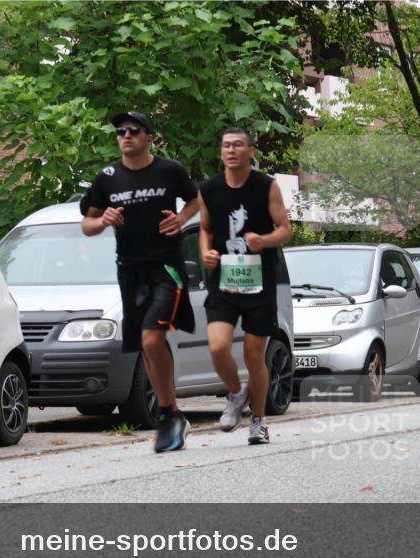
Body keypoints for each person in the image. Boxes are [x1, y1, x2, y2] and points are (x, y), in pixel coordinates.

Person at [81, 111, 199, 452]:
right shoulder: (106, 178)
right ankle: (174, 413)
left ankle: (165, 413)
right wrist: (103, 220)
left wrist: (181, 219)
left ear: (149, 137)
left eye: (134, 130)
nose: (126, 135)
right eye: (120, 131)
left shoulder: (169, 170)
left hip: (167, 267)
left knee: (151, 338)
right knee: (149, 342)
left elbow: (195, 199)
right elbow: (87, 224)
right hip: (130, 270)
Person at [199, 128, 293, 444]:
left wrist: (263, 240)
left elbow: (285, 230)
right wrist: (205, 253)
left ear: (251, 151)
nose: (231, 150)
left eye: (238, 145)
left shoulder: (267, 186)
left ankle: (259, 420)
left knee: (254, 355)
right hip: (223, 281)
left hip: (259, 282)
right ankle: (236, 393)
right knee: (217, 346)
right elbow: (204, 229)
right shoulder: (209, 189)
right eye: (226, 145)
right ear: (221, 151)